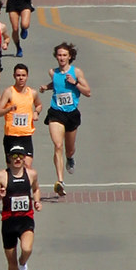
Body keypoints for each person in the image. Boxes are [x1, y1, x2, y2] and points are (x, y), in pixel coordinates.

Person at [39, 42, 91, 197]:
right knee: (58, 145)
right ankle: (60, 181)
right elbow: (57, 83)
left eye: (64, 55)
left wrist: (75, 83)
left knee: (69, 148)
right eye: (59, 55)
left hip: (72, 114)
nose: (61, 58)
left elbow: (88, 92)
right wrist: (46, 87)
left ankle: (70, 158)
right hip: (56, 112)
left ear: (70, 57)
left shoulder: (76, 72)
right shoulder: (52, 72)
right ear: (56, 57)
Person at [0, 63, 42, 160]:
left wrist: (36, 112)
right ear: (14, 76)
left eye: (23, 75)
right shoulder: (9, 92)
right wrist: (9, 109)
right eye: (18, 75)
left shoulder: (32, 93)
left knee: (27, 165)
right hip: (11, 135)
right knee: (12, 166)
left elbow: (39, 105)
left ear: (27, 76)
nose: (21, 78)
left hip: (26, 135)